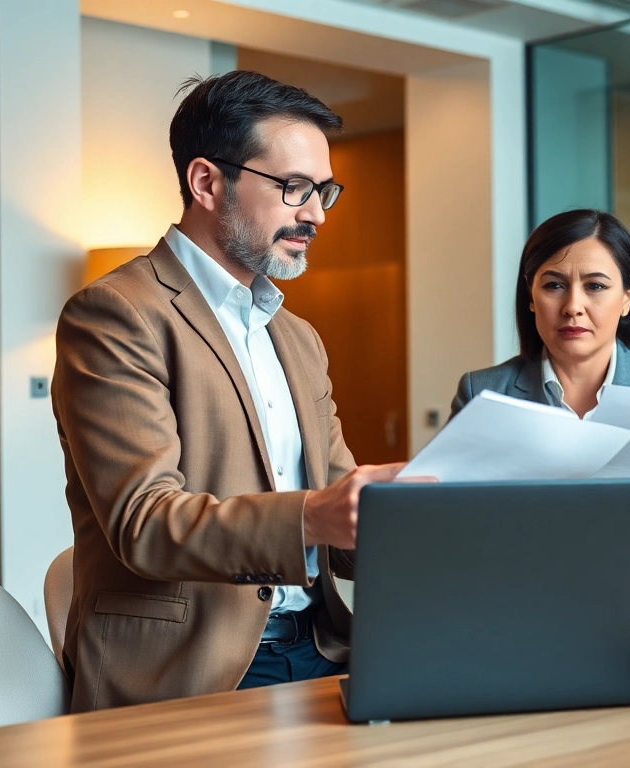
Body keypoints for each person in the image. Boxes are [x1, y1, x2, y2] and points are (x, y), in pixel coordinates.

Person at [51, 71, 416, 711]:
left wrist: (413, 521)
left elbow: (336, 512)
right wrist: (310, 516)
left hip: (327, 648)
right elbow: (144, 521)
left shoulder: (298, 336)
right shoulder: (115, 314)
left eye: (324, 190)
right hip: (190, 670)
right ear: (207, 182)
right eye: (295, 188)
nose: (317, 214)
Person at [451, 209, 630, 631]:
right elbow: (461, 542)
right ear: (531, 295)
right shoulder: (483, 394)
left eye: (596, 287)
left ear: (628, 296)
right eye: (554, 285)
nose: (573, 307)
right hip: (513, 625)